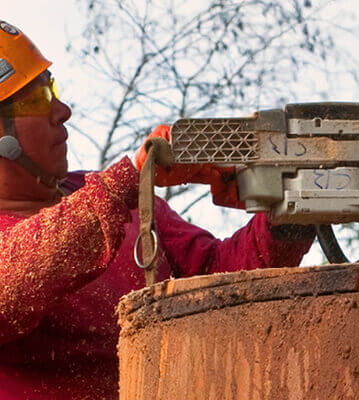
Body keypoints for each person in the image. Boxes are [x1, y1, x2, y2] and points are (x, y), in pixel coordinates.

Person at [0, 21, 314, 400]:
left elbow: (218, 278)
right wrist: (127, 180)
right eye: (36, 101)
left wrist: (288, 213)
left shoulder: (117, 201)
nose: (62, 110)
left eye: (52, 89)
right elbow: (15, 278)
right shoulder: (112, 197)